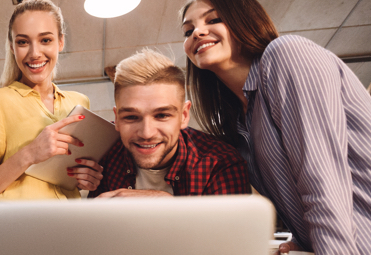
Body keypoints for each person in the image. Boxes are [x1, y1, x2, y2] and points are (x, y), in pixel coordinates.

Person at [180, 0, 371, 255]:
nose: (197, 33)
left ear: (243, 21)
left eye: (212, 19)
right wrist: (302, 243)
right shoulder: (242, 121)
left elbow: (323, 180)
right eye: (188, 31)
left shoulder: (287, 56)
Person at [0, 0, 103, 201]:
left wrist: (86, 179)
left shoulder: (80, 102)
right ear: (12, 47)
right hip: (21, 229)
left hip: (69, 227)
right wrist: (29, 154)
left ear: (61, 41)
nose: (34, 53)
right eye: (23, 42)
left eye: (45, 40)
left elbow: (71, 182)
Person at [88, 49, 250, 198]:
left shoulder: (221, 163)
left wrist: (165, 204)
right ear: (116, 119)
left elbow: (230, 229)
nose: (147, 133)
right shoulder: (103, 152)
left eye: (162, 115)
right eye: (131, 117)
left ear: (184, 115)